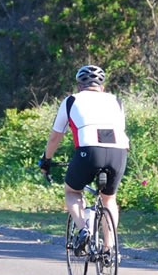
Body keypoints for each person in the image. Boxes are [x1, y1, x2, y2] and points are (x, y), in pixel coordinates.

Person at [39, 65, 129, 259]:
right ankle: (109, 248)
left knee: (72, 191)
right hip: (119, 151)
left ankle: (84, 230)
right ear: (102, 87)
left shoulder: (71, 100)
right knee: (109, 198)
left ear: (79, 87)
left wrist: (46, 160)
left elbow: (56, 137)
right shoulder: (116, 101)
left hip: (88, 150)